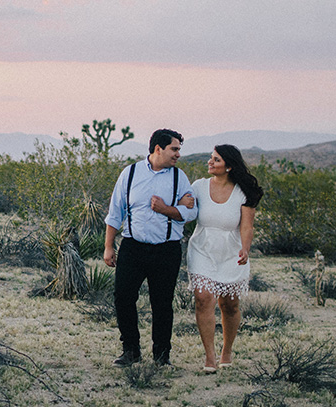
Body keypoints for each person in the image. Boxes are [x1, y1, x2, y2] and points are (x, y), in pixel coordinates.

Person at [104, 129, 197, 366]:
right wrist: (108, 247)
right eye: (174, 149)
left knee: (162, 303)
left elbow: (192, 212)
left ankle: (162, 355)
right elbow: (116, 212)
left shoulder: (179, 178)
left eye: (179, 150)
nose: (178, 154)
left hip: (167, 250)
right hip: (132, 247)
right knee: (123, 297)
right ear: (158, 149)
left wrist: (167, 209)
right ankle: (131, 350)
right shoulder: (131, 173)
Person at [180, 144, 263, 372]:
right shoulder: (198, 186)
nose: (210, 162)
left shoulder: (243, 192)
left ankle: (227, 350)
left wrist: (245, 249)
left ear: (228, 166)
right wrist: (182, 204)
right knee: (204, 299)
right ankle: (210, 356)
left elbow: (247, 227)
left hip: (231, 252)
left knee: (230, 305)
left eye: (216, 160)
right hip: (202, 248)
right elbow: (185, 208)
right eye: (210, 158)